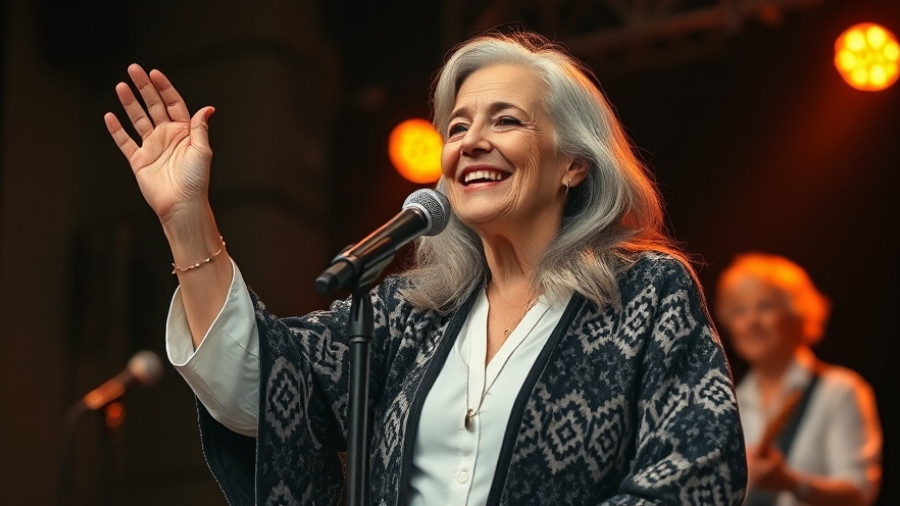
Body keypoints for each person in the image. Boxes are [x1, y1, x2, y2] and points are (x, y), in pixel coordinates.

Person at [105, 31, 747, 505]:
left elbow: (698, 475)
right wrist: (186, 216)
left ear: (574, 164)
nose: (470, 141)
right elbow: (259, 385)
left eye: (507, 120)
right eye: (458, 125)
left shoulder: (646, 294)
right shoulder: (406, 316)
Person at [715, 252, 882, 506]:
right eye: (739, 311)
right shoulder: (730, 401)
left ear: (797, 315)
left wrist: (791, 484)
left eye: (765, 306)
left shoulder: (840, 390)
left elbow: (860, 492)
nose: (750, 322)